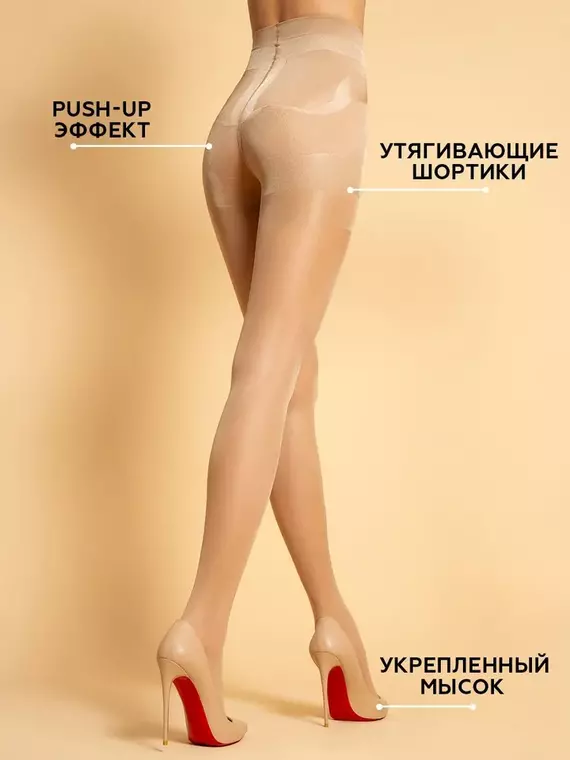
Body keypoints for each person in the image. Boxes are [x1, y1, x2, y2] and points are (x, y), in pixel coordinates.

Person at [157, 0, 386, 746]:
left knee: (290, 377)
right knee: (268, 369)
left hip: (239, 110)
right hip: (320, 100)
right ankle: (201, 626)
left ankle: (333, 623)